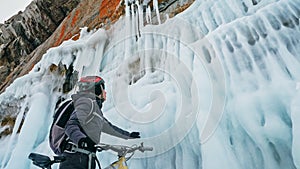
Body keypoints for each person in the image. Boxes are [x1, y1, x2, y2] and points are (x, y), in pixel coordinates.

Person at [59, 76, 140, 169]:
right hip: (75, 158)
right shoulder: (86, 103)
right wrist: (82, 140)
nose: (105, 92)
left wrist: (128, 135)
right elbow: (71, 125)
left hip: (85, 157)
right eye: (103, 89)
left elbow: (110, 128)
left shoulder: (95, 110)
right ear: (98, 90)